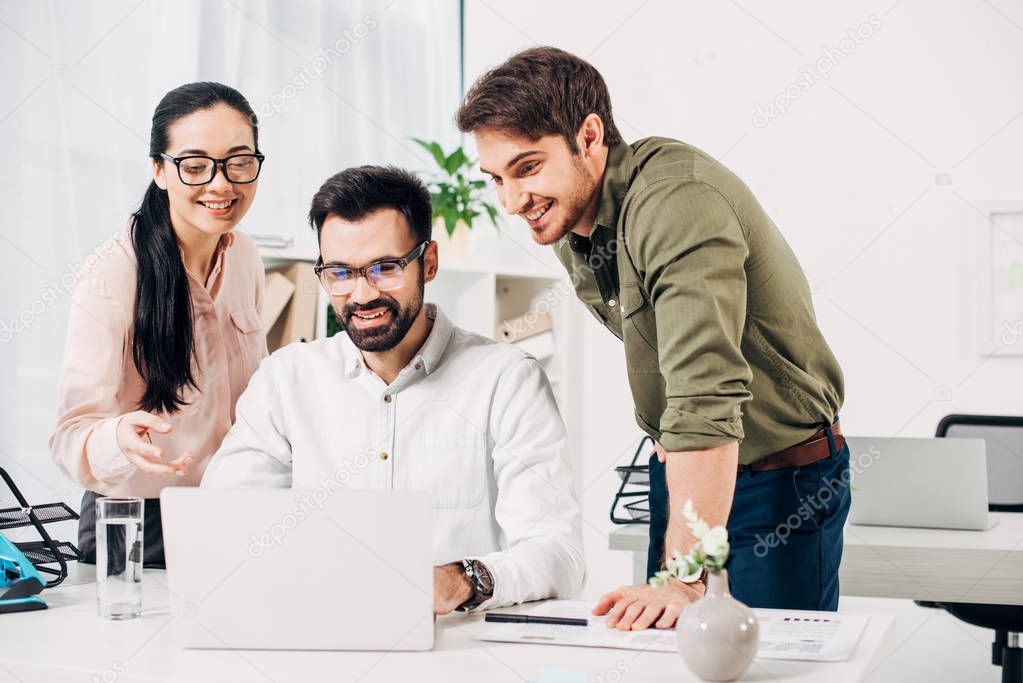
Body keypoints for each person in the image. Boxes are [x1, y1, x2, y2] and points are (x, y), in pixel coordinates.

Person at [457, 47, 849, 629]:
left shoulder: (675, 203)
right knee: (667, 655)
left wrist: (685, 576)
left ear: (589, 136)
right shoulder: (574, 224)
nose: (513, 202)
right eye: (497, 179)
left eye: (528, 167)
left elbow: (704, 394)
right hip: (694, 471)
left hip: (778, 484)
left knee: (766, 669)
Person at [201, 165, 584, 614]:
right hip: (319, 641)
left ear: (431, 262)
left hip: (460, 655)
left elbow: (559, 556)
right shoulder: (286, 380)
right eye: (340, 273)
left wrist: (461, 580)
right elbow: (221, 527)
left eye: (385, 268)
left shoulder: (506, 380)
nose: (362, 295)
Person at [50, 82, 268, 567]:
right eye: (194, 167)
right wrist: (119, 438)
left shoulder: (246, 256)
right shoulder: (113, 271)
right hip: (136, 522)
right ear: (158, 170)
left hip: (231, 513)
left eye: (239, 162)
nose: (221, 185)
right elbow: (70, 434)